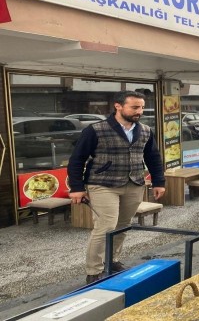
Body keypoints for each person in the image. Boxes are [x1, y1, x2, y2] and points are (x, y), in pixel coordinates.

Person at [67, 91, 166, 284]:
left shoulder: (145, 130)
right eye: (135, 107)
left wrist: (159, 182)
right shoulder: (96, 130)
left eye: (142, 107)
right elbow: (77, 159)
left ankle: (112, 261)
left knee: (123, 226)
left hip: (135, 183)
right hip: (103, 184)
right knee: (106, 226)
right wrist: (76, 187)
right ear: (118, 106)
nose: (140, 111)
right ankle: (94, 271)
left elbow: (153, 157)